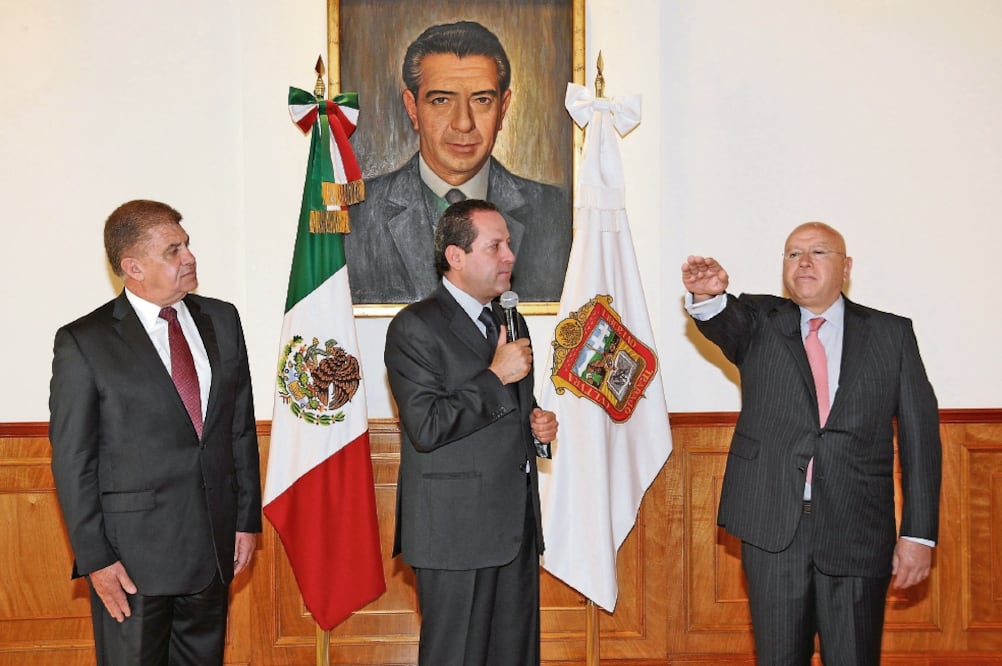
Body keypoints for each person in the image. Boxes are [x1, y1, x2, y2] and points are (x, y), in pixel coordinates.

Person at [681, 222, 941, 665]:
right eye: (793, 253)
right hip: (774, 529)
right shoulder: (760, 320)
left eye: (818, 252)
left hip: (858, 530)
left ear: (846, 267)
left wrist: (918, 535)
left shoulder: (890, 334)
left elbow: (921, 441)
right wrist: (707, 298)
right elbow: (722, 319)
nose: (803, 262)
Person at [49, 199, 261, 665]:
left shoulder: (222, 320)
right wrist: (96, 559)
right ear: (133, 267)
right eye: (173, 250)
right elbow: (73, 461)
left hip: (214, 550)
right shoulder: (85, 342)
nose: (189, 257)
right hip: (132, 562)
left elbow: (239, 428)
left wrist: (246, 520)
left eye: (186, 245)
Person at [384, 199, 558, 665]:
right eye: (495, 246)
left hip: (515, 529)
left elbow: (511, 408)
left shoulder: (509, 320)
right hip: (454, 534)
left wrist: (537, 426)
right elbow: (426, 425)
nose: (510, 256)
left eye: (509, 244)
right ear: (455, 256)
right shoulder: (414, 326)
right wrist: (496, 376)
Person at [345, 20, 571, 304]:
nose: (464, 123)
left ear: (502, 109)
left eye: (482, 100)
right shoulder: (355, 216)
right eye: (441, 100)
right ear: (413, 108)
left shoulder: (557, 213)